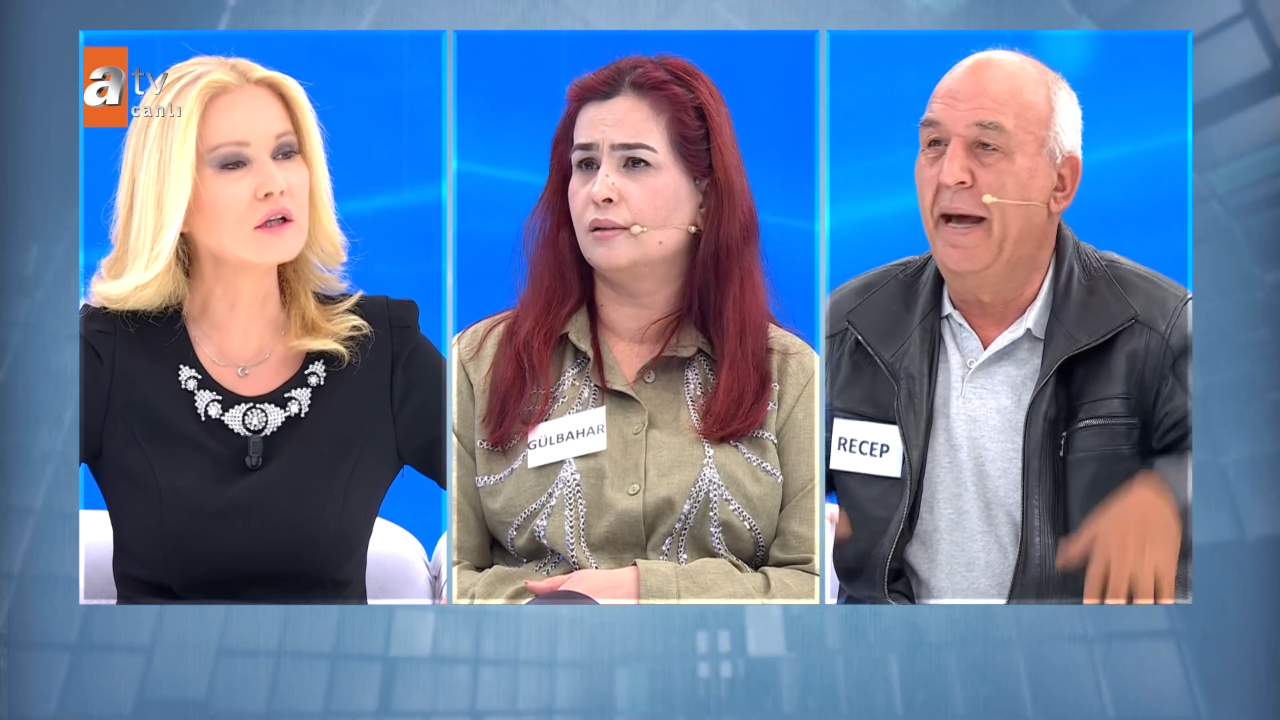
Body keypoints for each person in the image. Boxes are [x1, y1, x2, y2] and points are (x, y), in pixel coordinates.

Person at [825, 49, 1191, 605]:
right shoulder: (851, 327)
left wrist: (1170, 494)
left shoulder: (1159, 329)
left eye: (986, 146)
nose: (951, 173)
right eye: (934, 144)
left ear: (1061, 183)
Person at [452, 54, 820, 604]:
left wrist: (642, 592)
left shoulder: (788, 375)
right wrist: (563, 610)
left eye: (634, 163)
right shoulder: (480, 362)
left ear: (705, 197)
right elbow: (453, 578)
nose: (600, 189)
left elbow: (809, 584)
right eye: (585, 164)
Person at [79, 56, 447, 604]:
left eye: (286, 152)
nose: (274, 184)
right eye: (233, 163)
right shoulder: (104, 354)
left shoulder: (381, 346)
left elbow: (516, 486)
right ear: (172, 197)